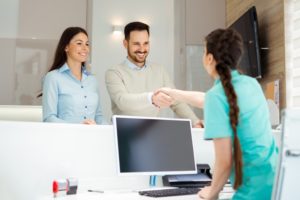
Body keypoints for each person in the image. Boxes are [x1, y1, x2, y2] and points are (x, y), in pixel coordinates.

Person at [159, 28, 278, 199]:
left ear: (209, 58)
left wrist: (212, 192)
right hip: (278, 183)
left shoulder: (218, 96)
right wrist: (173, 92)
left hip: (252, 192)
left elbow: (224, 161)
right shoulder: (251, 84)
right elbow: (207, 99)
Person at [105, 21, 201, 127]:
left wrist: (195, 121)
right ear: (125, 44)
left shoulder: (160, 71)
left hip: (151, 131)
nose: (142, 49)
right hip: (122, 131)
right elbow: (123, 101)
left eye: (146, 43)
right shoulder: (114, 73)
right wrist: (152, 98)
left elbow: (176, 101)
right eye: (136, 44)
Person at [42, 27, 104, 124]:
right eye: (79, 43)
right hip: (66, 137)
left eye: (87, 44)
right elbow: (49, 118)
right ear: (66, 47)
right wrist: (78, 126)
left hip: (92, 137)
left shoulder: (92, 80)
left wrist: (110, 129)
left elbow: (98, 116)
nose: (85, 48)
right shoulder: (53, 77)